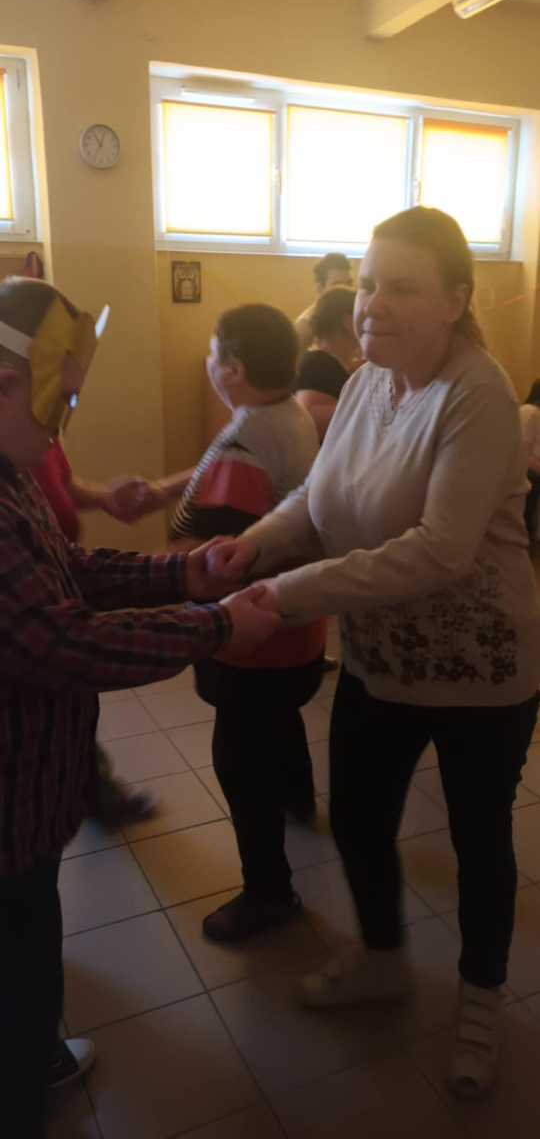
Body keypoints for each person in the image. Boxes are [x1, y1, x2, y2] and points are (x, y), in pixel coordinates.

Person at [208, 207, 540, 1101]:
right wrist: (259, 543)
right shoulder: (364, 384)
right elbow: (316, 500)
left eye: (401, 287)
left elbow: (439, 550)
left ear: (455, 300)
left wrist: (287, 593)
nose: (372, 305)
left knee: (477, 840)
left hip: (479, 672)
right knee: (358, 819)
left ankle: (480, 996)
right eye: (365, 283)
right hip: (379, 660)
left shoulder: (477, 395)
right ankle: (386, 961)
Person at [0, 276, 279, 1138]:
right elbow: (61, 640)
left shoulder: (12, 473)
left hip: (32, 794)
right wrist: (213, 625)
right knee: (17, 960)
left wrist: (182, 572)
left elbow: (71, 574)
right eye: (59, 398)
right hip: (5, 807)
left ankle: (32, 1055)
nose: (61, 424)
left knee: (31, 946)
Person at [170, 304, 326, 941]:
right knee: (277, 721)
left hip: (250, 642)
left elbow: (214, 559)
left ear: (232, 368)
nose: (209, 363)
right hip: (296, 633)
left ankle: (269, 891)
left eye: (213, 354)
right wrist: (165, 489)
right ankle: (299, 799)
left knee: (240, 758)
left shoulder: (245, 442)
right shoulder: (288, 415)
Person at [31, 438, 164, 824]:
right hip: (39, 608)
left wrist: (104, 496)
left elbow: (63, 486)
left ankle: (95, 791)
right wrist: (214, 625)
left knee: (72, 707)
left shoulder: (40, 432)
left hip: (60, 585)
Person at [295, 286, 360, 442]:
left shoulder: (324, 362)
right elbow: (310, 419)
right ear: (349, 323)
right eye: (363, 317)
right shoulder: (319, 365)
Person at [294, 252, 353, 354]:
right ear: (320, 289)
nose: (346, 291)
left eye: (349, 284)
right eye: (338, 286)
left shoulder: (349, 321)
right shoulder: (305, 327)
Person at [519, 379, 540, 538]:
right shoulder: (530, 412)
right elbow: (521, 454)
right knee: (532, 478)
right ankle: (525, 533)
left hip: (532, 466)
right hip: (522, 468)